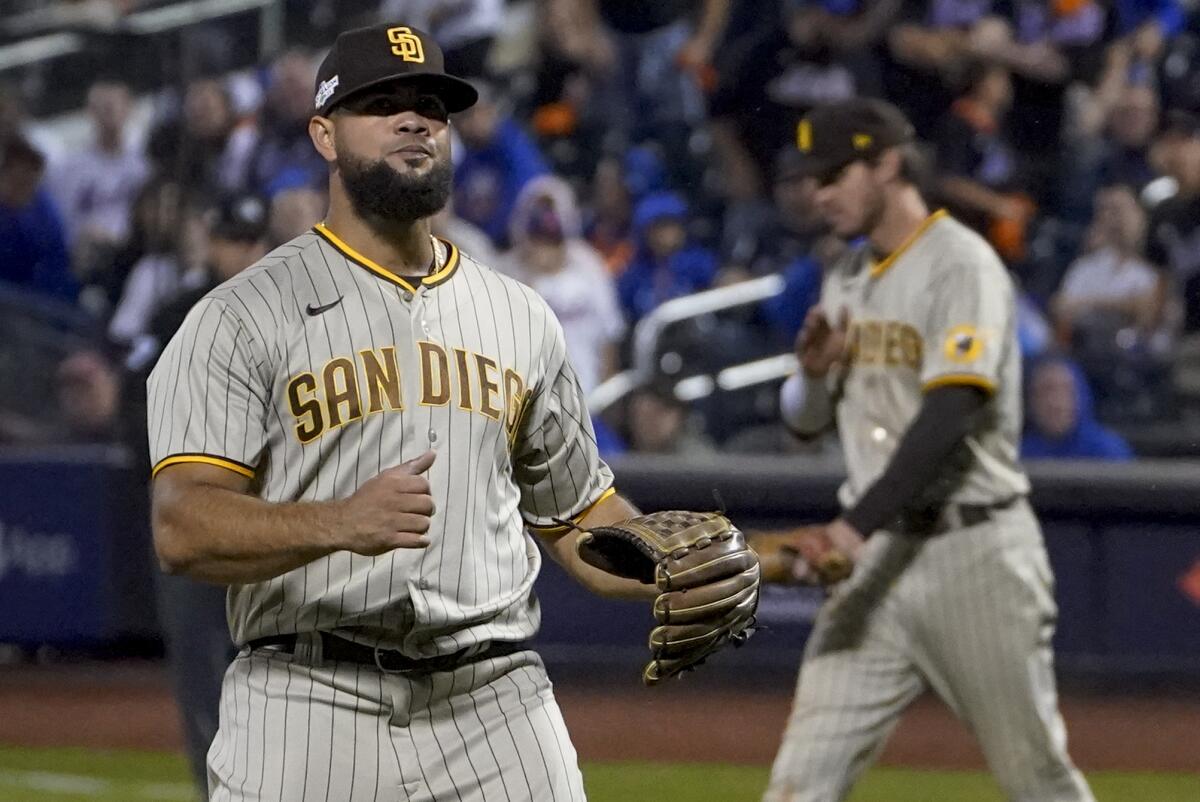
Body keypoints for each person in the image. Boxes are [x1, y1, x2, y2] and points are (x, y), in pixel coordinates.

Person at [146, 23, 707, 801]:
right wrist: (338, 523)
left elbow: (578, 518)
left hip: (495, 700)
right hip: (307, 698)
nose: (415, 120)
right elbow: (182, 527)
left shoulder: (519, 316)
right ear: (323, 135)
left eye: (431, 107)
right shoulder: (238, 318)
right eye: (384, 103)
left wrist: (665, 565)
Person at [764, 98, 1094, 802]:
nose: (818, 193)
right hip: (875, 565)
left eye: (834, 174)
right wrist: (815, 378)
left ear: (886, 162)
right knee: (798, 787)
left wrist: (853, 527)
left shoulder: (961, 264)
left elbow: (953, 410)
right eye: (811, 179)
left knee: (1040, 784)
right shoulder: (846, 274)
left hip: (969, 554)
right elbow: (803, 429)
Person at [1022, 354, 1134, 460]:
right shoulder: (1020, 454)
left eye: (1065, 390)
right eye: (1046, 391)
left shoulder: (1110, 452)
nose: (1055, 402)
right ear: (1031, 400)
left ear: (1081, 395)